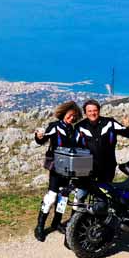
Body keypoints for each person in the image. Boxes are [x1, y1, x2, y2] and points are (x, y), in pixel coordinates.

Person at [32, 100, 82, 242]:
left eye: (74, 116)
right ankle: (40, 227)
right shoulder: (54, 127)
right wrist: (38, 136)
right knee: (51, 196)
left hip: (69, 168)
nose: (71, 118)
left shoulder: (73, 130)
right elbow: (42, 140)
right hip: (56, 167)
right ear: (64, 114)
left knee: (64, 196)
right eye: (70, 115)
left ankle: (56, 223)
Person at [73, 99, 129, 206]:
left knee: (103, 196)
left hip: (107, 166)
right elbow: (72, 145)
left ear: (99, 110)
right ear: (85, 113)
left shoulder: (109, 123)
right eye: (89, 111)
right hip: (85, 166)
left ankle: (100, 218)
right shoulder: (79, 127)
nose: (93, 113)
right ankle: (75, 220)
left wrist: (128, 126)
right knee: (81, 194)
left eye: (95, 110)